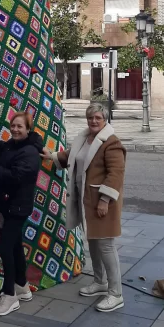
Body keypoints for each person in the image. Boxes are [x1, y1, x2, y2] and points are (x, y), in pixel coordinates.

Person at [41, 102, 126, 313]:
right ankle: (100, 282)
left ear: (105, 119)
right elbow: (72, 156)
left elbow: (116, 174)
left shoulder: (111, 143)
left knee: (106, 246)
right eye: (91, 118)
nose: (94, 121)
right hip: (86, 202)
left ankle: (116, 294)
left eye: (98, 118)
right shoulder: (85, 138)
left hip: (102, 204)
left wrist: (105, 201)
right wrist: (52, 156)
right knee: (94, 244)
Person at [0, 112, 42, 316]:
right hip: (9, 205)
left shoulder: (30, 151)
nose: (15, 129)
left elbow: (17, 177)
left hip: (18, 207)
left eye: (19, 126)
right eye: (13, 125)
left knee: (5, 247)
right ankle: (22, 286)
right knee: (14, 246)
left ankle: (9, 295)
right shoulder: (12, 145)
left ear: (28, 129)